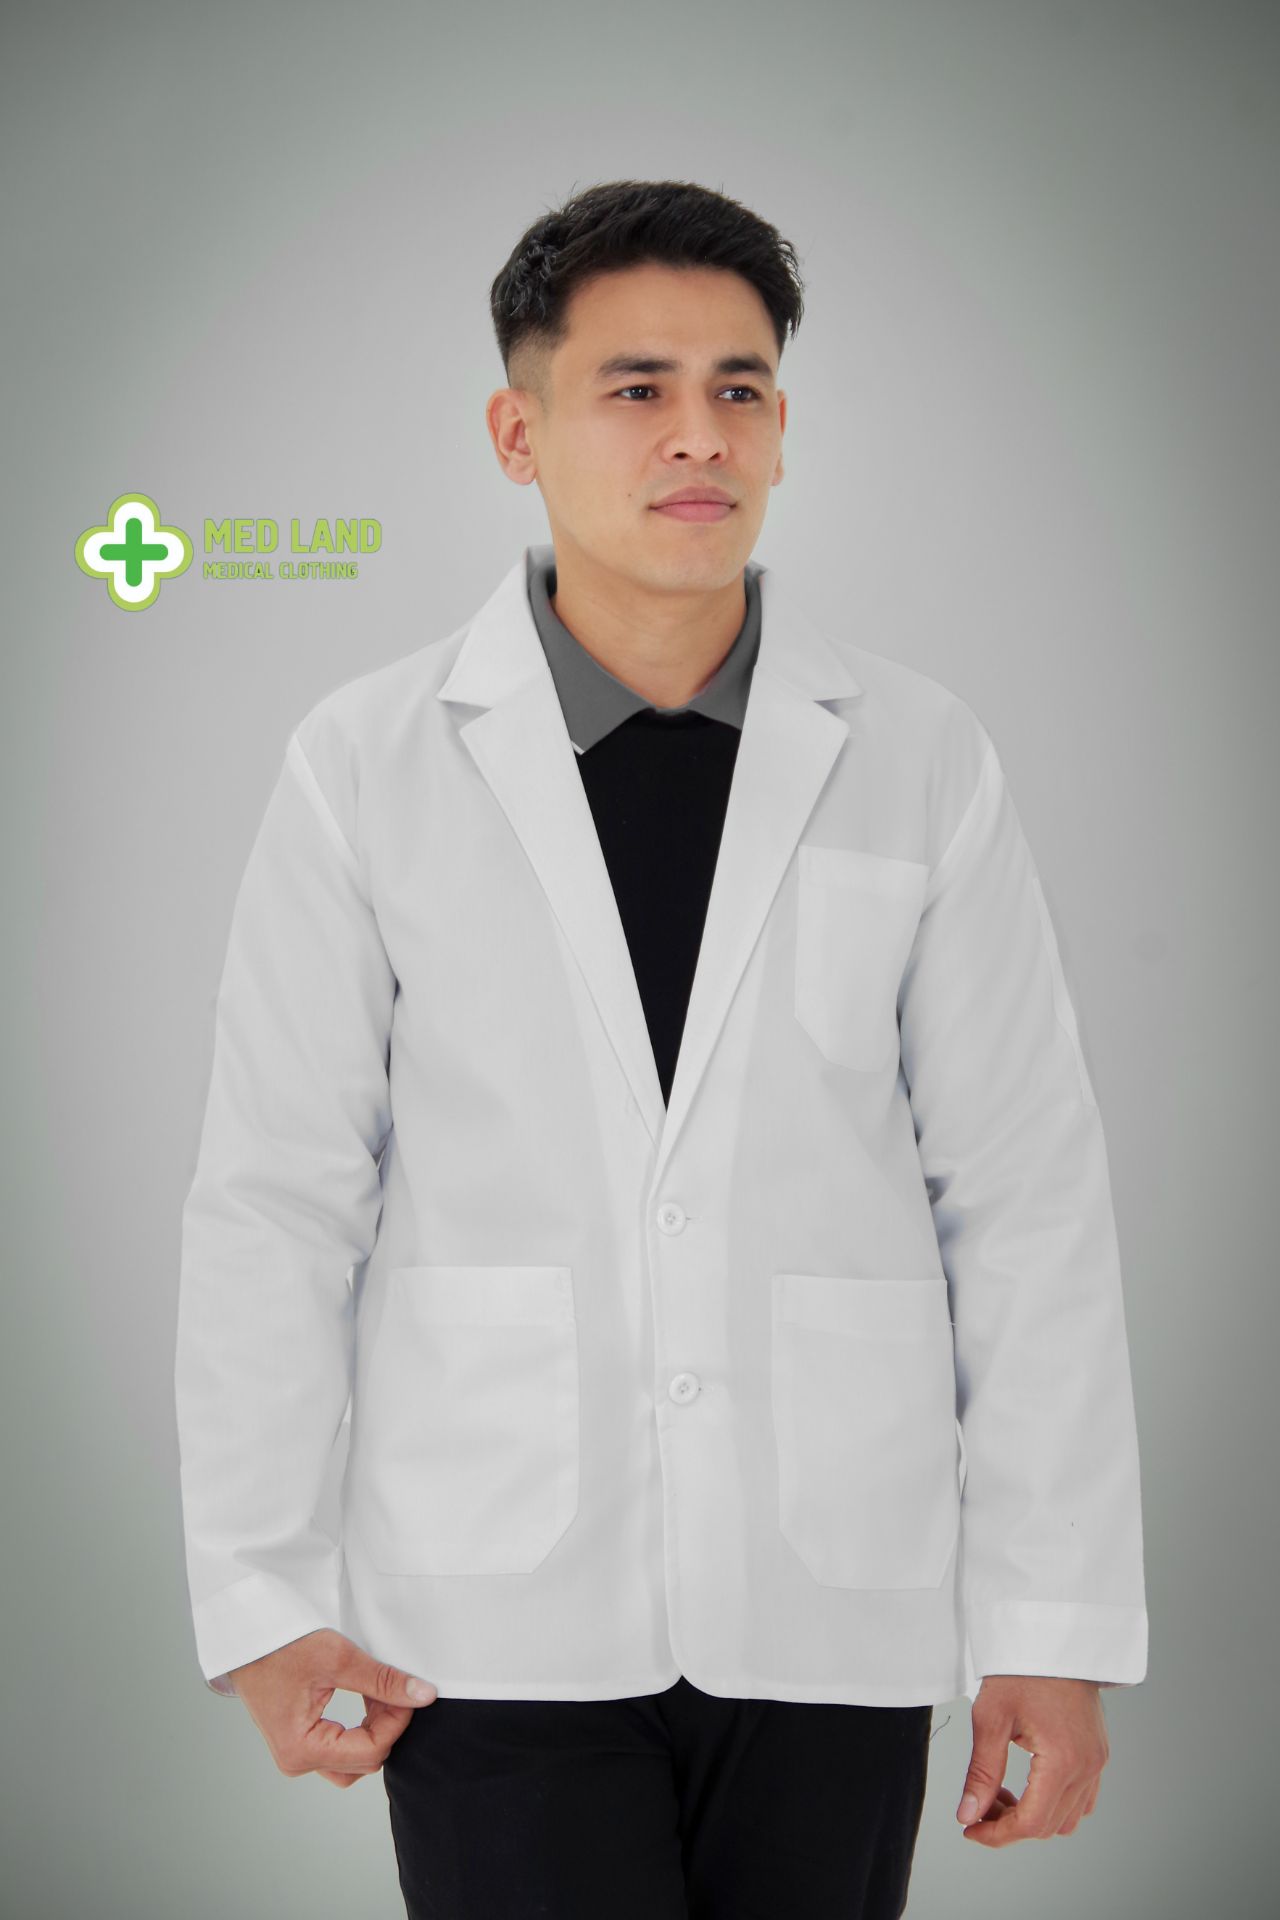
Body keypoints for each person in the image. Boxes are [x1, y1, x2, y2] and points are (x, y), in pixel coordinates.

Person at [175, 178, 1148, 1917]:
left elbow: (1024, 1200)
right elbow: (277, 1200)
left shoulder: (919, 758)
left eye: (739, 388)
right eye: (637, 388)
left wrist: (1051, 1621)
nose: (700, 434)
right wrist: (261, 1597)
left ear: (781, 427)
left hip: (831, 1593)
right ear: (517, 432)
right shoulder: (366, 765)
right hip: (484, 1616)